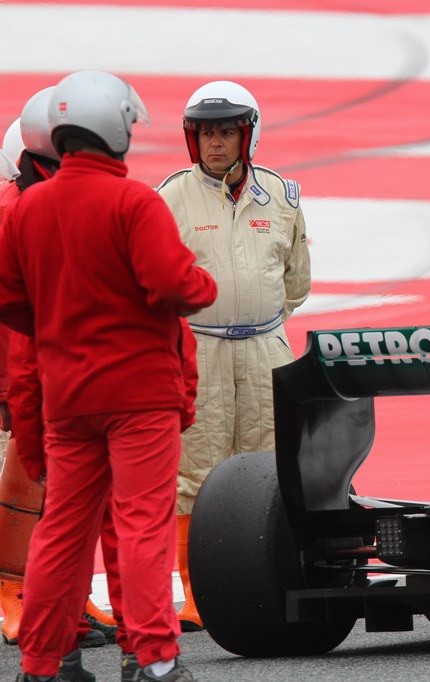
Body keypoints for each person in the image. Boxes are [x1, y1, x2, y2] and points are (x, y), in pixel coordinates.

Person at [0, 70, 216, 682]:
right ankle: (154, 659)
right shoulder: (134, 202)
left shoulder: (30, 208)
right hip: (139, 395)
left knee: (61, 531)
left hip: (68, 396)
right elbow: (177, 286)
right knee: (141, 524)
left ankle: (41, 664)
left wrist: (63, 322)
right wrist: (203, 284)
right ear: (115, 129)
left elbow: (12, 303)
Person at [157, 80, 311, 631]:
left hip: (265, 348)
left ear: (249, 135)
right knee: (195, 470)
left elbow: (297, 282)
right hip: (198, 348)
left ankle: (268, 576)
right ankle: (199, 596)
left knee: (268, 464)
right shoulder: (169, 197)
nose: (214, 143)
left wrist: (257, 324)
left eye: (225, 132)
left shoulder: (282, 196)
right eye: (204, 133)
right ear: (190, 138)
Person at [0, 91, 122, 654]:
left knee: (68, 507)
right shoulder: (18, 210)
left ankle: (60, 614)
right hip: (46, 381)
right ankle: (21, 598)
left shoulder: (40, 204)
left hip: (62, 381)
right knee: (40, 500)